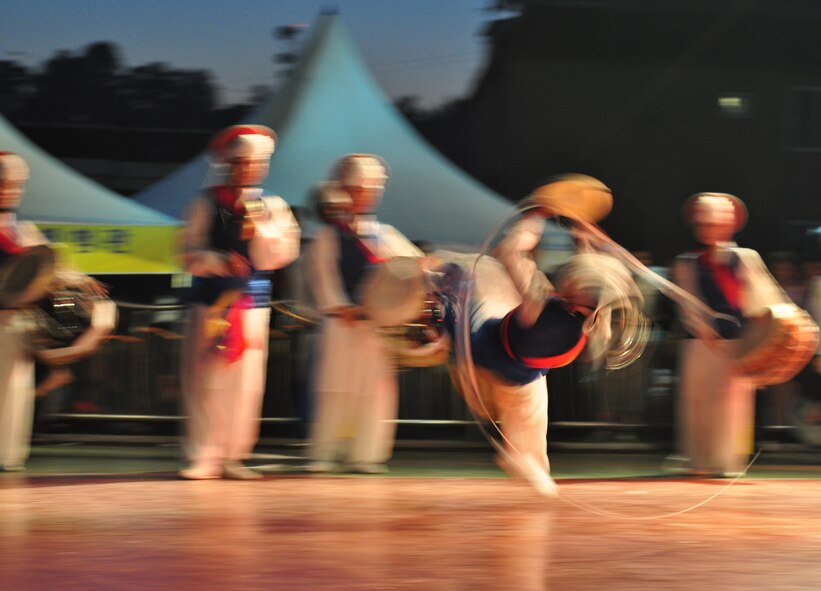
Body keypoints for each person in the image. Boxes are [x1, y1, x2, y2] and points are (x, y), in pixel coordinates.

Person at [434, 175, 642, 496]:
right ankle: (524, 465)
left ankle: (525, 466)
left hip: (505, 364)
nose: (566, 276)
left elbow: (510, 251)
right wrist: (580, 230)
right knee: (529, 443)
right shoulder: (588, 319)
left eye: (573, 278)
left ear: (578, 292)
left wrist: (536, 216)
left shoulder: (542, 304)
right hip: (506, 366)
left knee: (530, 439)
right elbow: (593, 277)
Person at [179, 125, 300, 480]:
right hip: (212, 303)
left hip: (252, 304)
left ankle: (234, 455)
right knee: (206, 380)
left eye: (255, 163)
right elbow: (187, 251)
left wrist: (260, 228)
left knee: (246, 384)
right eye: (242, 162)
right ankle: (202, 454)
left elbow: (283, 252)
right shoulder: (208, 203)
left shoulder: (272, 206)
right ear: (229, 163)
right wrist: (216, 260)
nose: (248, 169)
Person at [306, 154, 423, 474]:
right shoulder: (328, 235)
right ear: (344, 189)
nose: (365, 194)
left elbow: (410, 267)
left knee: (374, 392)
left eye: (370, 189)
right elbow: (322, 275)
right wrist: (340, 305)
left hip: (375, 327)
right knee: (335, 389)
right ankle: (325, 452)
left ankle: (366, 455)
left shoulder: (384, 234)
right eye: (358, 188)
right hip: (341, 324)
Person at [672, 192, 796, 477]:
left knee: (732, 406)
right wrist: (703, 328)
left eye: (714, 222)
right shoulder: (687, 261)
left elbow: (766, 297)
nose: (709, 228)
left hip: (738, 342)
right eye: (704, 223)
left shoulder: (744, 257)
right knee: (697, 402)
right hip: (699, 343)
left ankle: (727, 462)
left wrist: (777, 330)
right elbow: (687, 302)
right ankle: (698, 460)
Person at [0, 151, 107, 470]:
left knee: (14, 387)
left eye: (15, 184)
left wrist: (82, 280)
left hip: (15, 322)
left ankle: (7, 454)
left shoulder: (22, 229)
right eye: (4, 182)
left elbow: (50, 266)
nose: (9, 189)